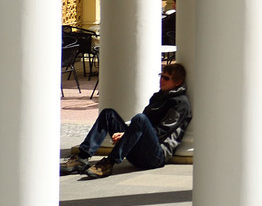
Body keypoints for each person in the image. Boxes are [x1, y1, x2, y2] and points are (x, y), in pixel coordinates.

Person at [63, 63, 192, 177]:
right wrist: (127, 133)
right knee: (108, 114)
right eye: (161, 76)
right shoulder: (159, 97)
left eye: (166, 78)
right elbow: (141, 127)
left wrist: (126, 135)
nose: (161, 80)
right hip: (139, 151)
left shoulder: (181, 103)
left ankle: (109, 162)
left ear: (178, 82)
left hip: (156, 156)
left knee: (140, 118)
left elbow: (161, 132)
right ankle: (82, 157)